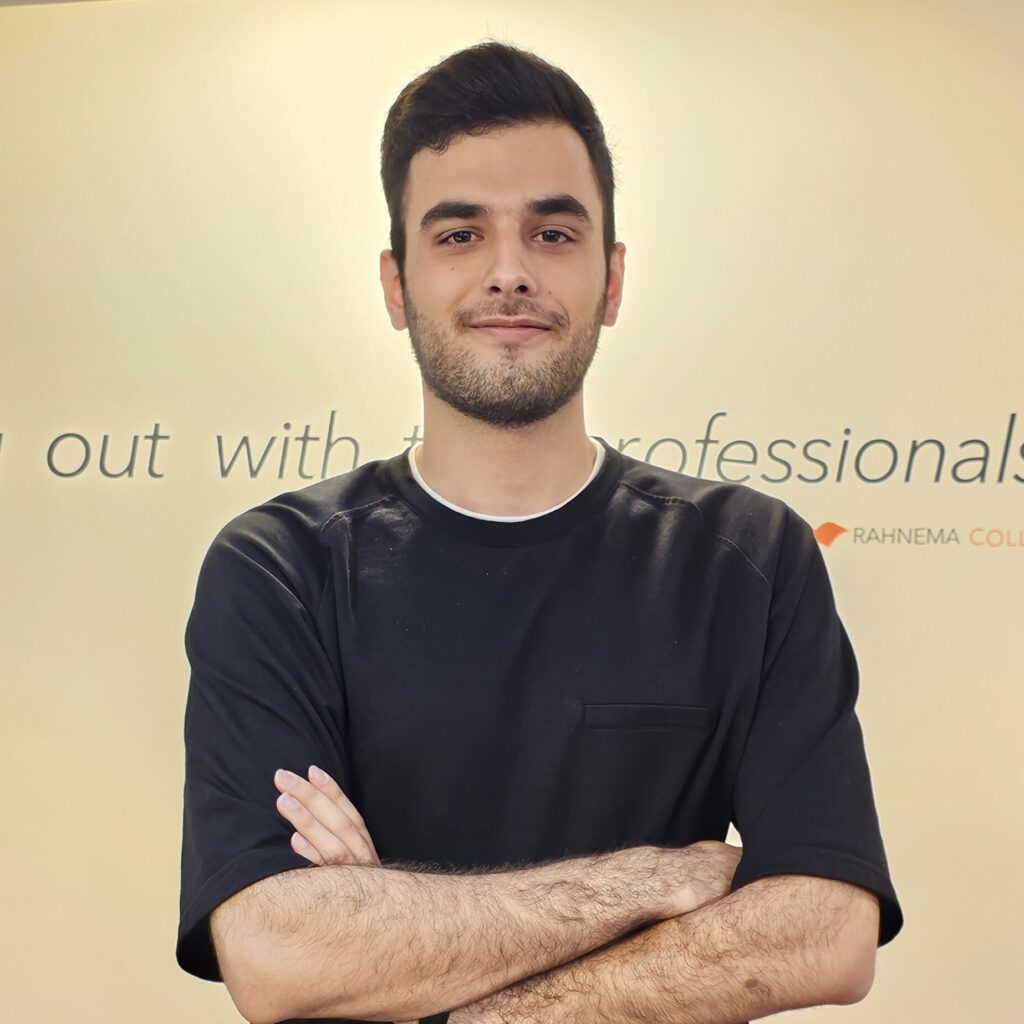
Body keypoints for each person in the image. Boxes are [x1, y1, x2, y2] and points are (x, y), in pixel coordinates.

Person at [176, 41, 903, 1024]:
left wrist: (413, 955)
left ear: (612, 278)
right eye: (459, 234)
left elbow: (824, 930)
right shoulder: (281, 568)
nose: (509, 272)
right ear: (396, 285)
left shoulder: (749, 558)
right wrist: (650, 881)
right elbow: (277, 950)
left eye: (553, 233)